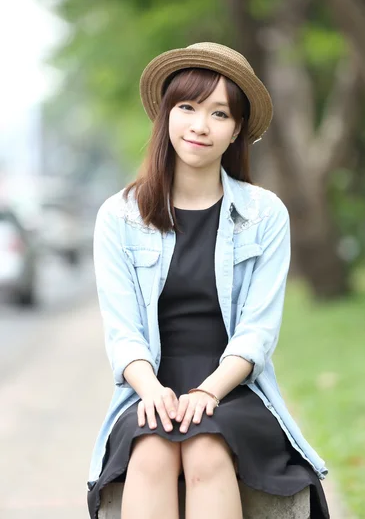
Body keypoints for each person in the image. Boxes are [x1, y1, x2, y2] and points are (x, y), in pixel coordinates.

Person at [87, 42, 330, 519]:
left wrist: (208, 392)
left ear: (236, 129)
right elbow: (123, 331)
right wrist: (153, 391)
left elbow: (257, 332)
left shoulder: (264, 215)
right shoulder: (119, 216)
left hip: (233, 387)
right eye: (187, 108)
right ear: (165, 115)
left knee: (206, 448)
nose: (200, 125)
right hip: (149, 385)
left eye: (219, 113)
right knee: (152, 452)